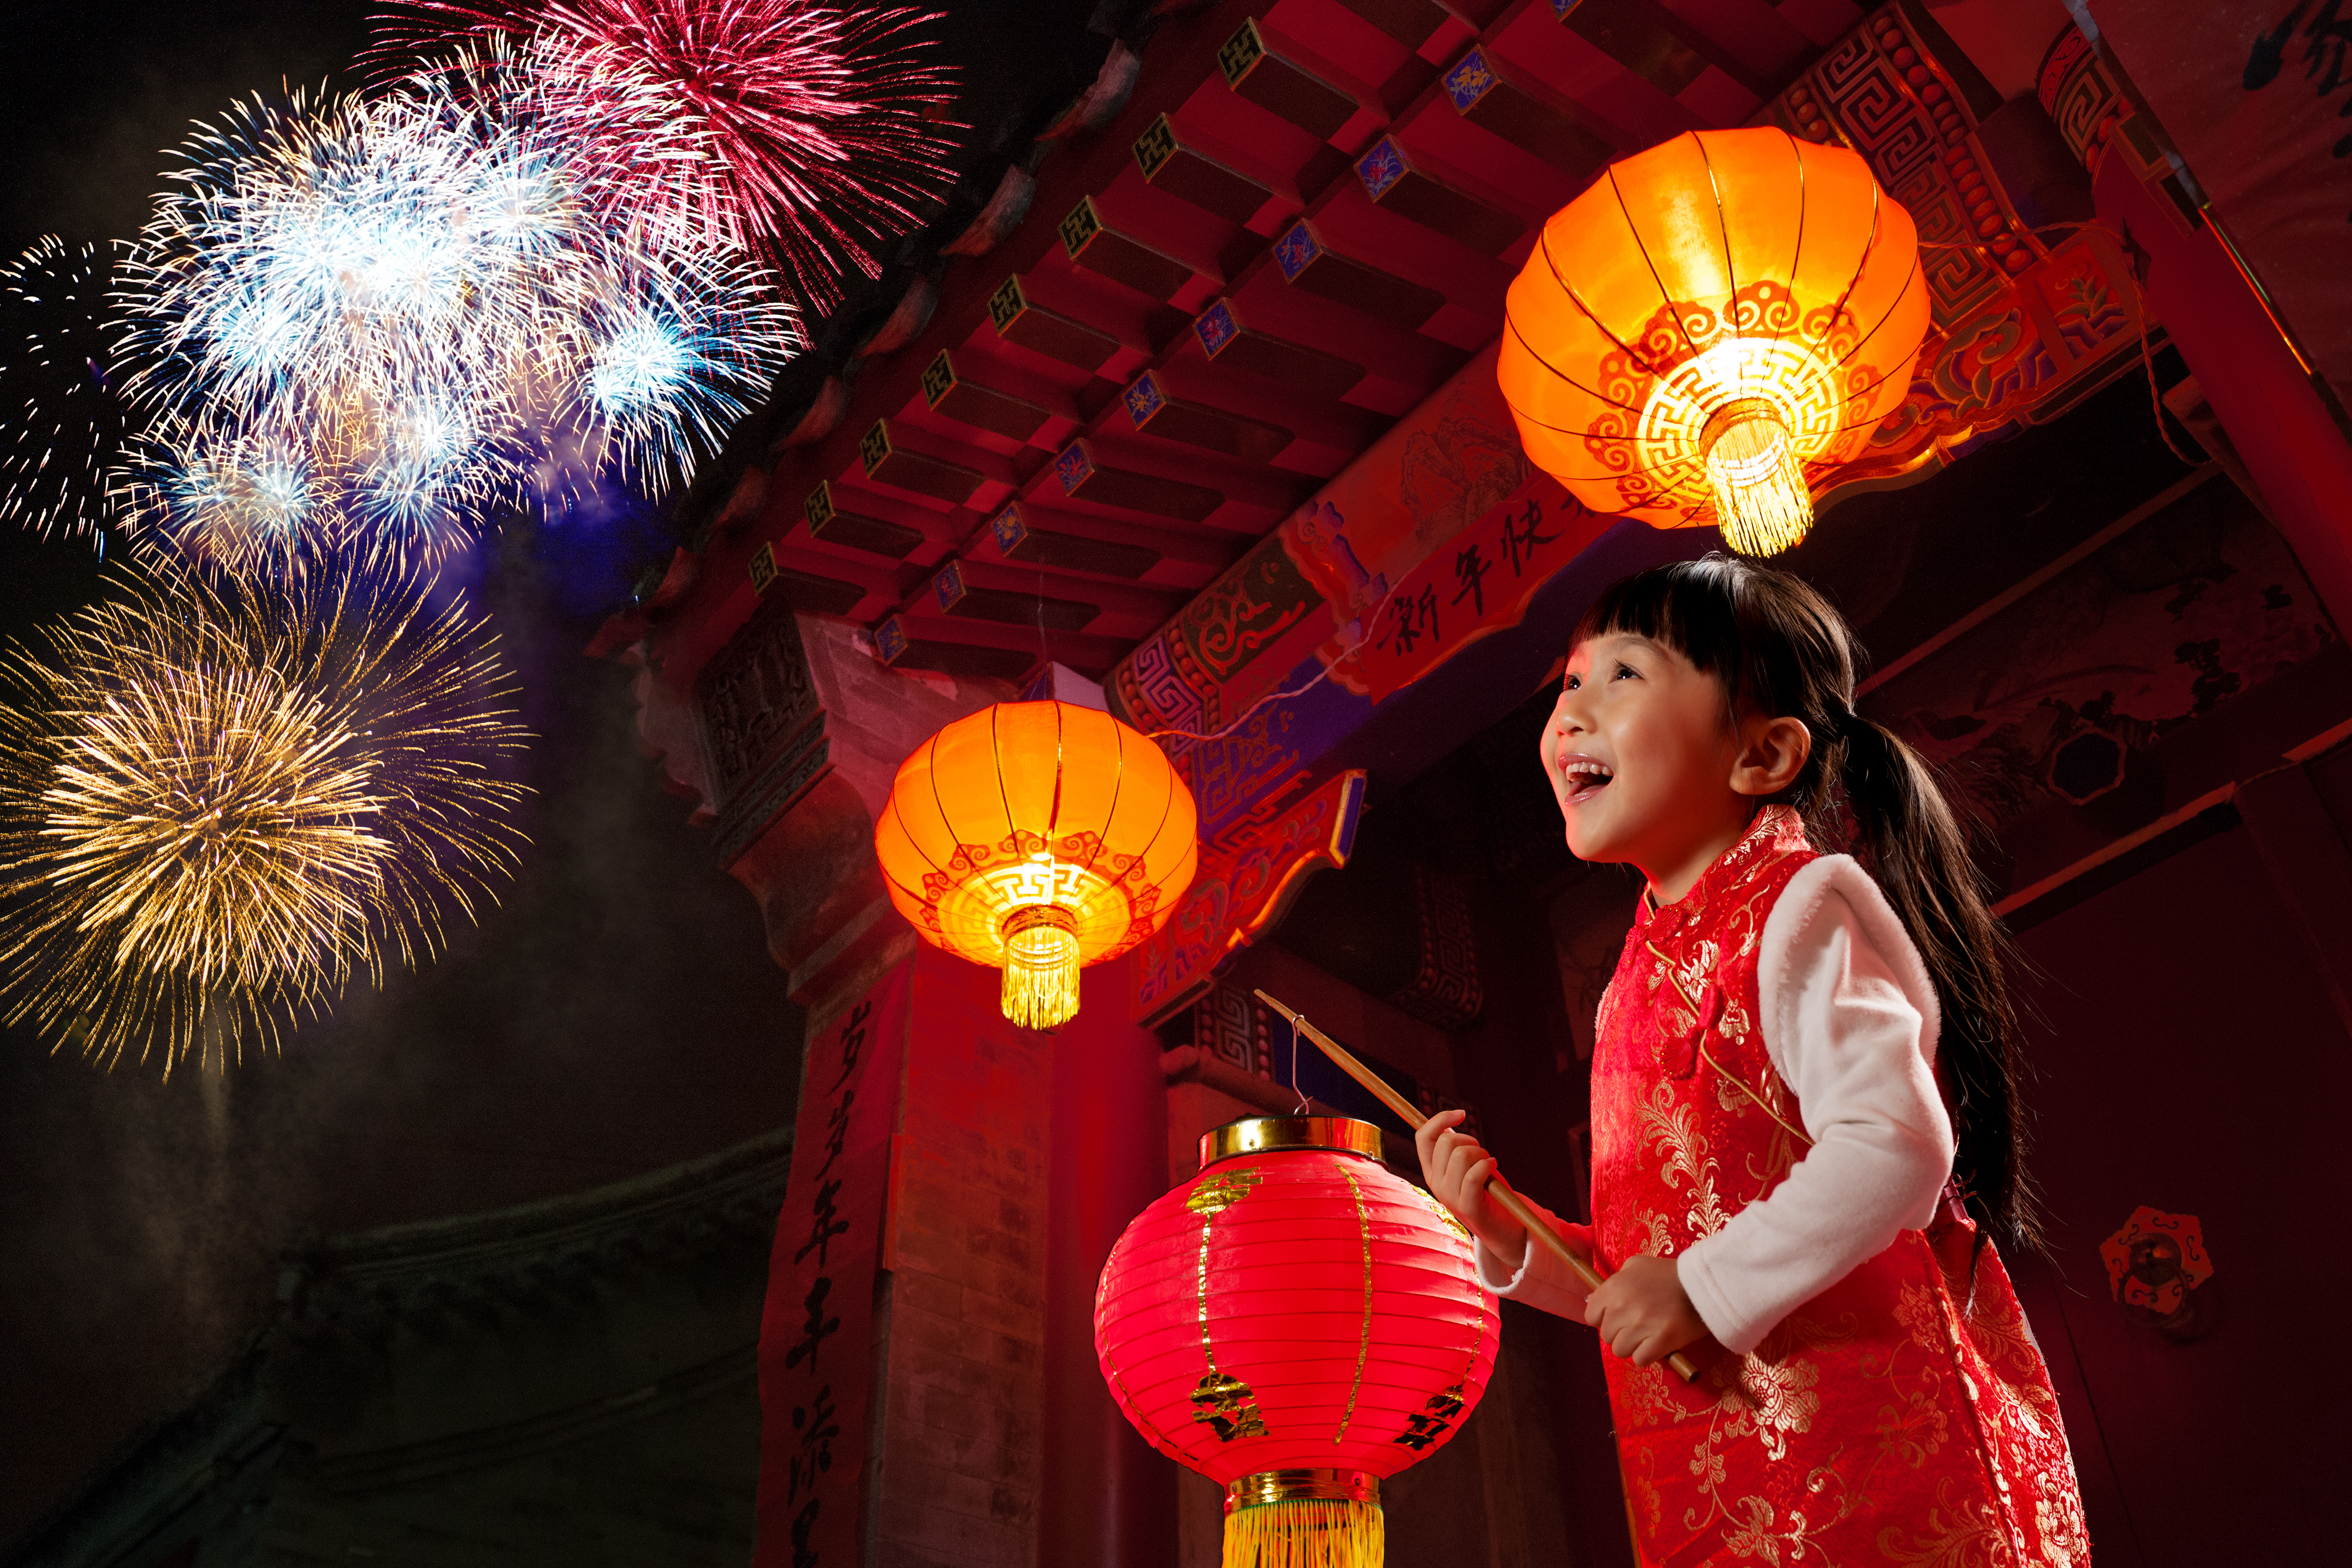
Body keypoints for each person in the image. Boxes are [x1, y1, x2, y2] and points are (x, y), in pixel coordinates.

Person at [1418, 557, 2090, 1564]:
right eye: (1570, 683)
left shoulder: (1798, 910)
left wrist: (1700, 1289)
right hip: (1719, 1478)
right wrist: (1517, 1237)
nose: (1570, 717)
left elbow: (1896, 1146)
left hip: (1869, 1457)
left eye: (1623, 677)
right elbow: (1645, 1271)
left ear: (1764, 755)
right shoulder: (1633, 978)